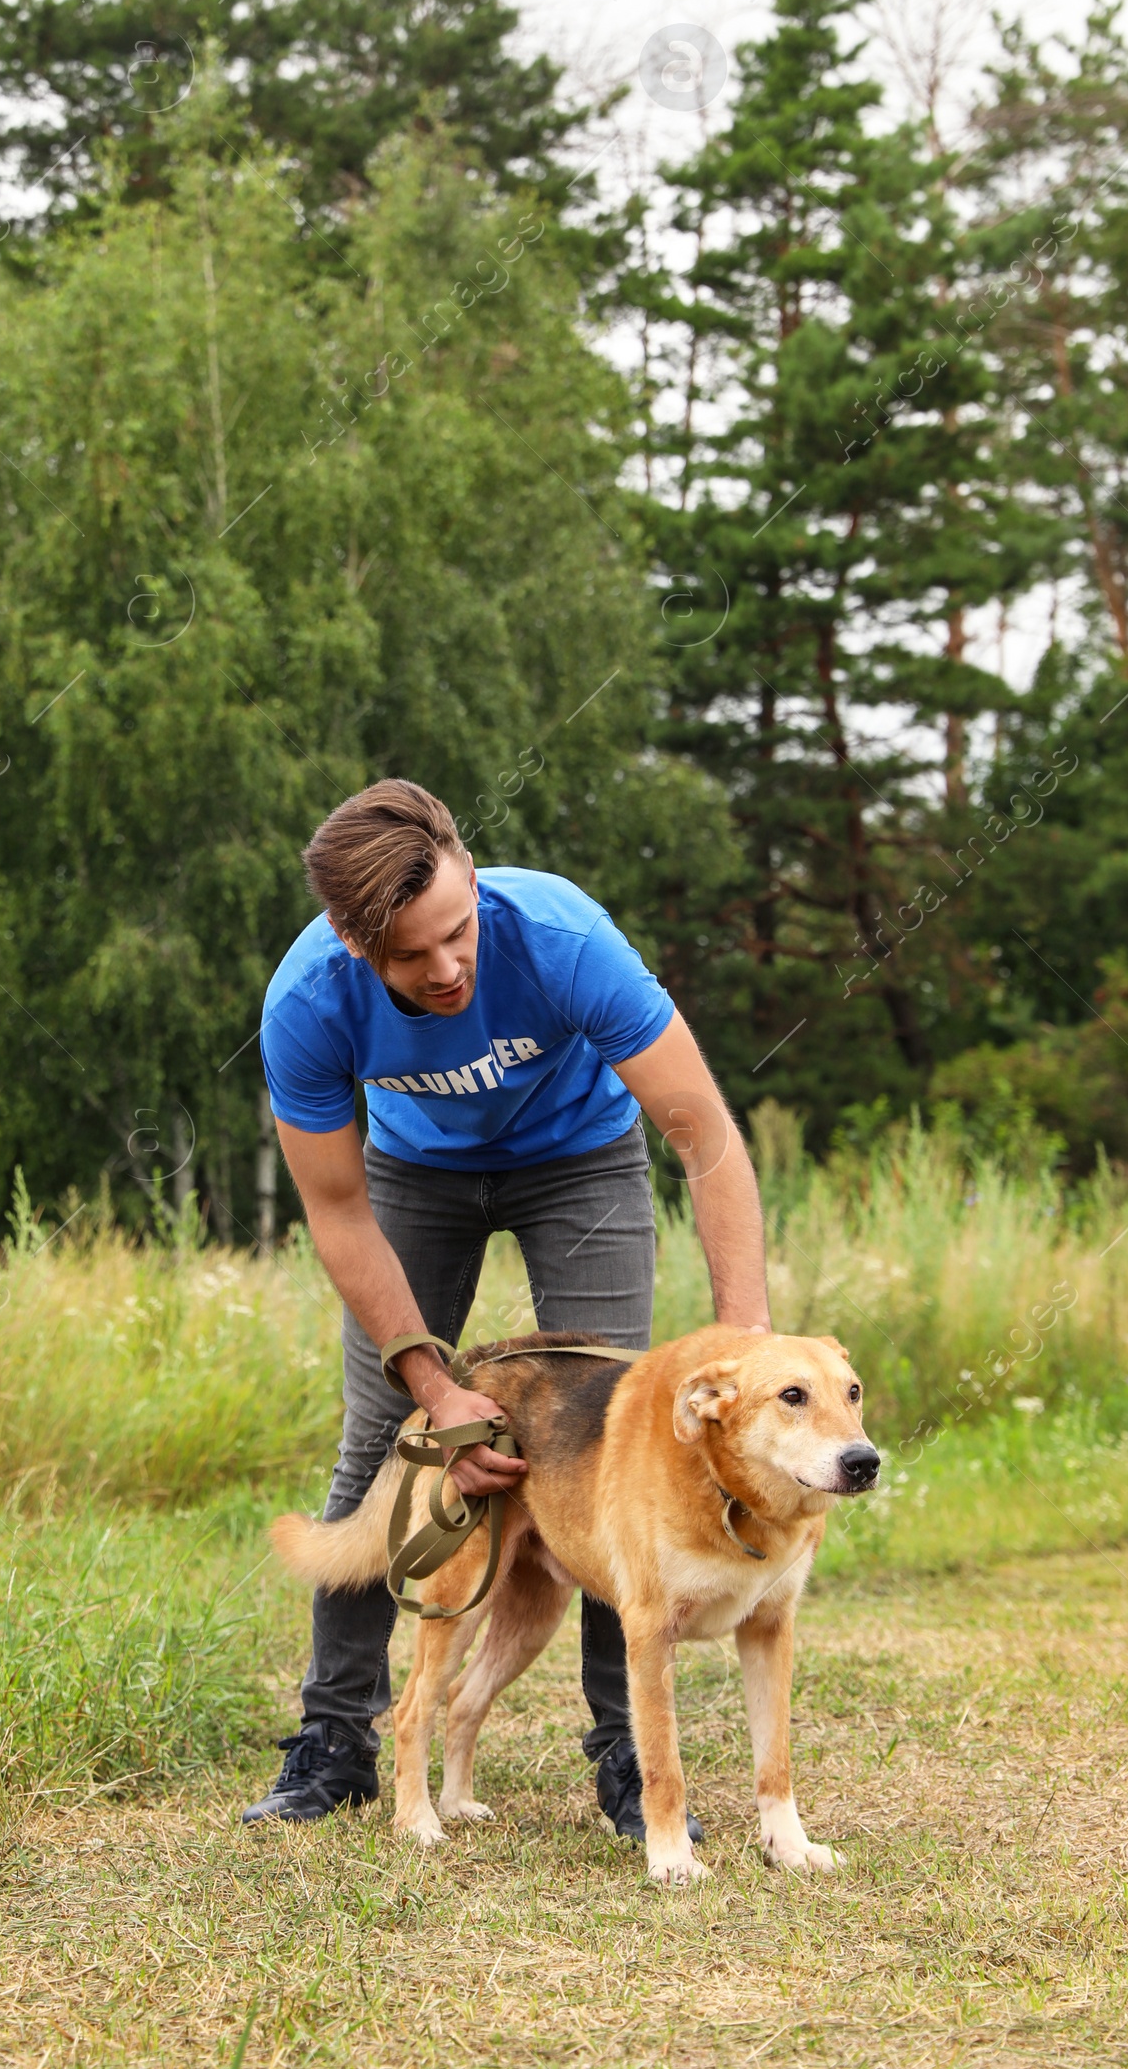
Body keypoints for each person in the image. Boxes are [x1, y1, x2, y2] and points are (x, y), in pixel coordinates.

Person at [243, 779, 770, 1841]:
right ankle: (334, 1740)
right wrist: (434, 1390)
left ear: (471, 877)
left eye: (456, 931)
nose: (446, 970)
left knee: (616, 1447)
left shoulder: (564, 937)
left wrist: (744, 1344)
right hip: (414, 1179)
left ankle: (627, 1755)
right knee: (380, 1442)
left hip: (578, 1158)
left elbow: (705, 1138)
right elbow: (340, 1217)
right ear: (353, 942)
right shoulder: (305, 1003)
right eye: (409, 957)